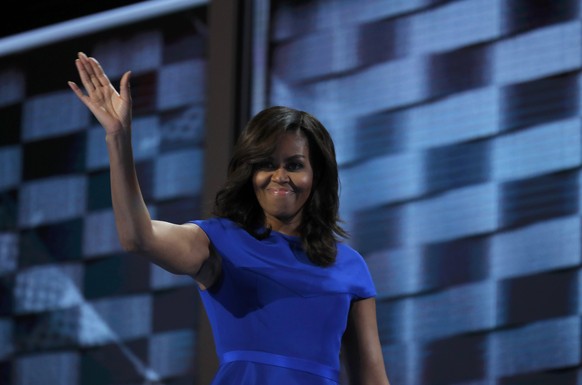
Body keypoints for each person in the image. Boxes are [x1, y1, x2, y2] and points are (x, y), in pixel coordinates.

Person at [69, 51, 391, 385]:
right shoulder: (217, 241)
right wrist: (118, 138)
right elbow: (138, 237)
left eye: (294, 165)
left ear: (316, 176)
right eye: (266, 164)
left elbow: (373, 377)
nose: (279, 175)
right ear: (250, 172)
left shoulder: (349, 265)